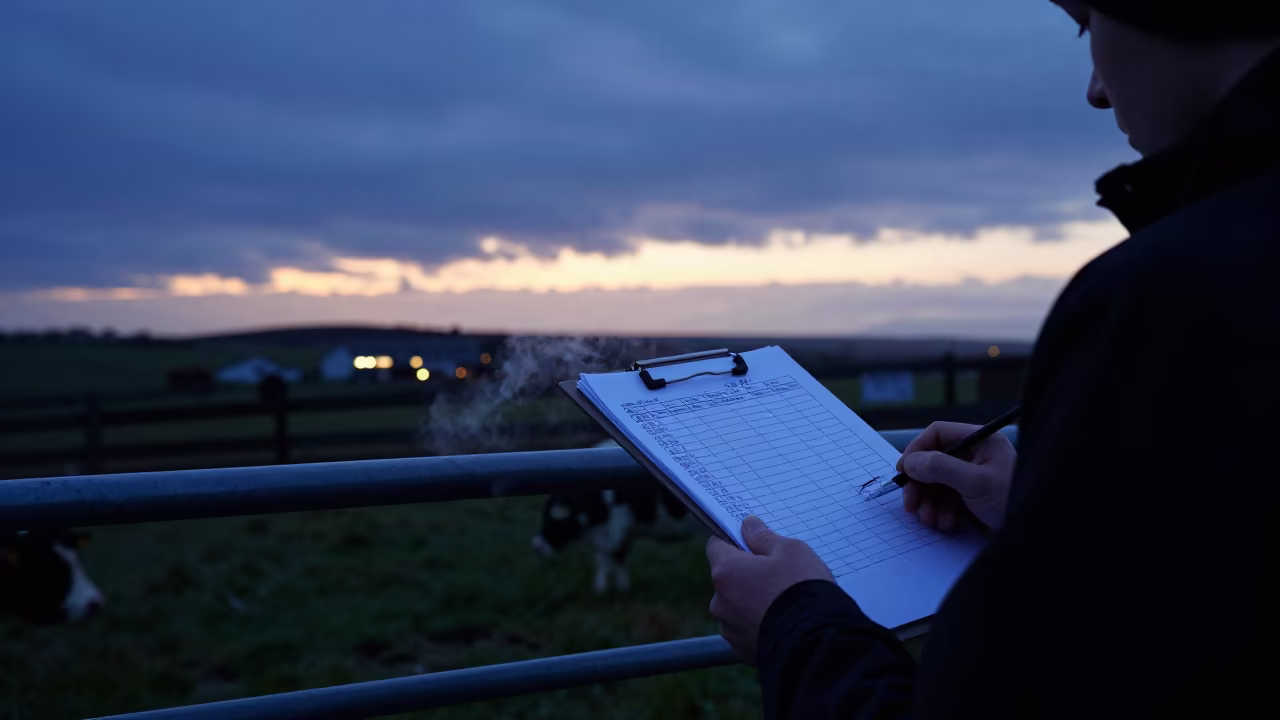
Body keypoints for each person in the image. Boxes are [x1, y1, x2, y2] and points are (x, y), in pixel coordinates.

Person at [705, 1, 1280, 717]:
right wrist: (1049, 521)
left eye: (1086, 25)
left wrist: (796, 627)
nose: (1096, 89)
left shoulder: (1170, 293)